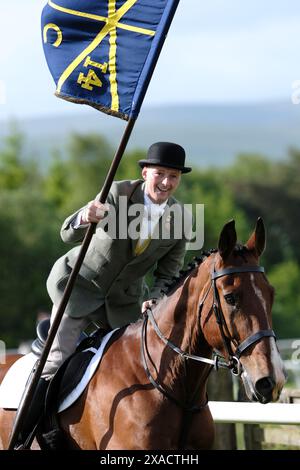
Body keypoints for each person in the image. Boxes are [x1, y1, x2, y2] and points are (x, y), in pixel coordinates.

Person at [18, 142, 192, 444]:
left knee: (137, 365)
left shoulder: (181, 219)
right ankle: (29, 433)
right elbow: (66, 232)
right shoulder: (117, 194)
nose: (166, 182)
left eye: (173, 176)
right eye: (160, 174)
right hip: (80, 288)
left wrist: (158, 297)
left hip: (124, 301)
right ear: (145, 172)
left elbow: (168, 273)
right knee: (56, 360)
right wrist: (86, 216)